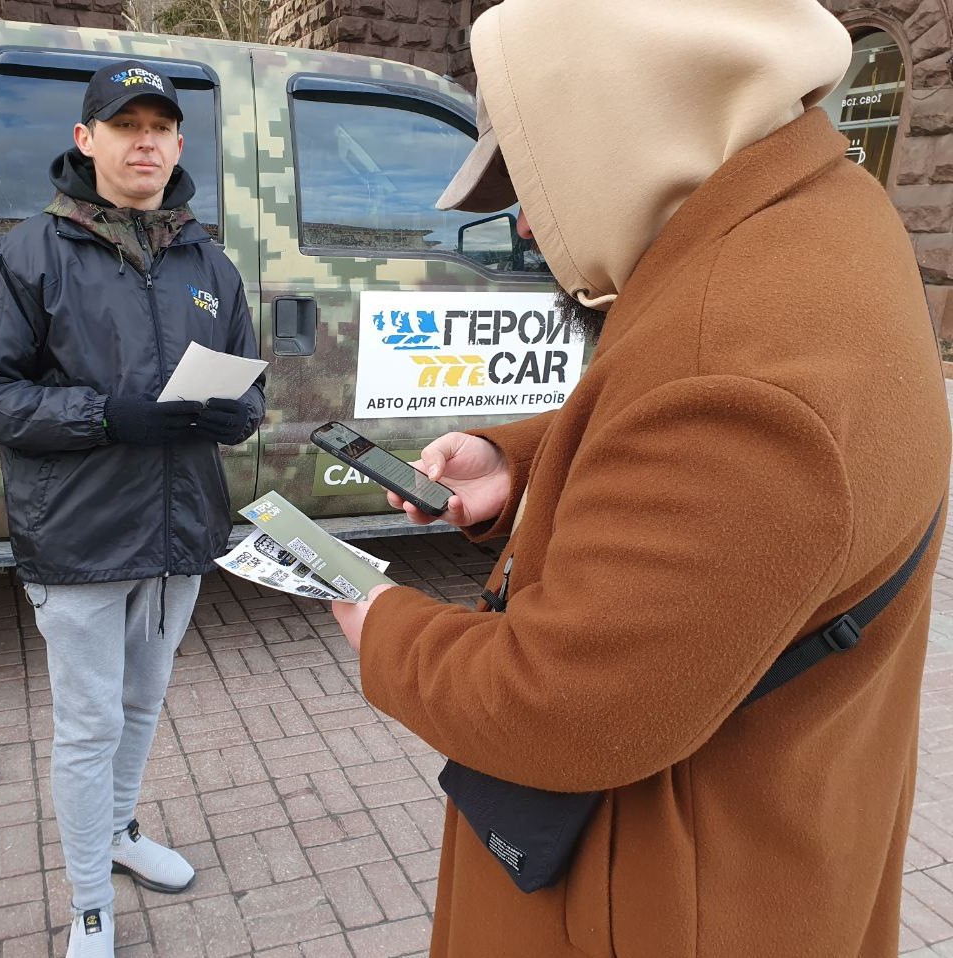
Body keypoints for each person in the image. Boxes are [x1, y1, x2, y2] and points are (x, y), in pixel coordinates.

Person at [331, 1, 952, 955]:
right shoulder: (819, 214)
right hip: (781, 836)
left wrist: (389, 631)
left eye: (539, 179)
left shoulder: (738, 371)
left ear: (628, 126)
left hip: (662, 898)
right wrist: (521, 460)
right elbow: (683, 429)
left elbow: (563, 709)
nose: (530, 227)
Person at [0, 60, 264, 958]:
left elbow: (249, 390)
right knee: (88, 725)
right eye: (126, 127)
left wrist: (234, 411)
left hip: (177, 532)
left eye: (161, 127)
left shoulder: (208, 260)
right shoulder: (30, 254)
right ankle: (90, 898)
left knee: (141, 705)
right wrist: (106, 415)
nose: (147, 143)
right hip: (81, 535)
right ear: (87, 142)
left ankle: (121, 834)